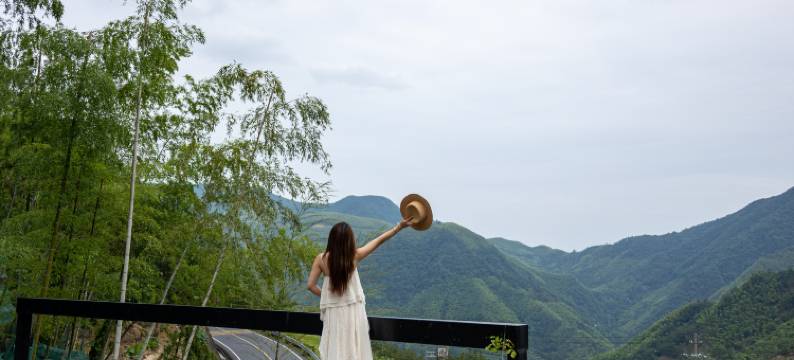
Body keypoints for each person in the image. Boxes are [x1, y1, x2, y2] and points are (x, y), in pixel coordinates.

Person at [307, 218, 413, 360]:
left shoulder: (321, 259)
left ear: (331, 238)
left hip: (333, 314)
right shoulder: (354, 257)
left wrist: (328, 297)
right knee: (353, 349)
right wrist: (399, 227)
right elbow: (378, 241)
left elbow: (311, 286)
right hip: (353, 312)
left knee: (335, 348)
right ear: (349, 240)